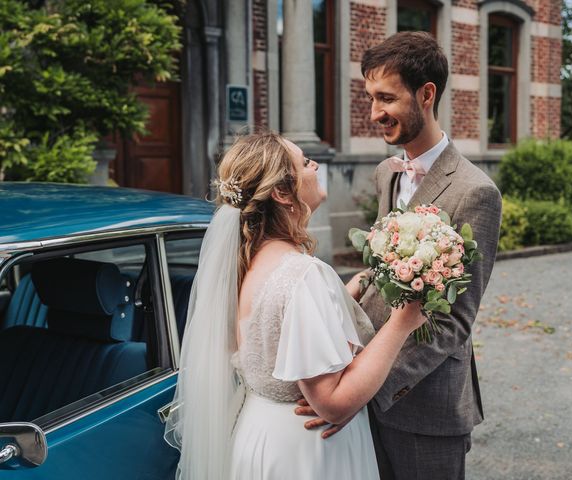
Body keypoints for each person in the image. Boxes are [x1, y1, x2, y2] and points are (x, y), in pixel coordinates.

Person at [164, 132, 428, 479]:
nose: (315, 165)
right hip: (305, 452)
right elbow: (332, 402)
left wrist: (349, 290)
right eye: (305, 162)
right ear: (282, 193)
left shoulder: (244, 264)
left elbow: (272, 331)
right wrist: (403, 321)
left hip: (259, 433)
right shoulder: (302, 274)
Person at [329, 31, 501, 480]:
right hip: (366, 385)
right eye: (370, 98)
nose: (374, 114)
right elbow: (382, 272)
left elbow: (454, 322)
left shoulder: (476, 192)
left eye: (385, 98)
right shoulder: (388, 171)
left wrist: (365, 387)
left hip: (425, 405)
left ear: (426, 94)